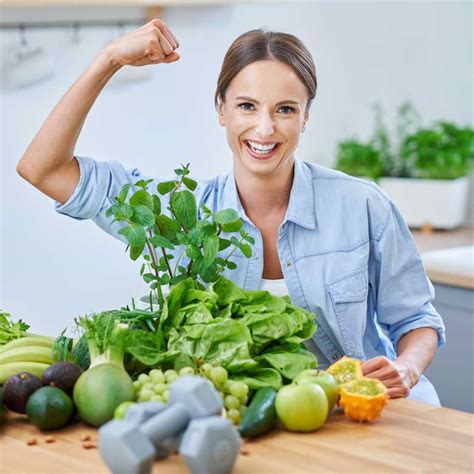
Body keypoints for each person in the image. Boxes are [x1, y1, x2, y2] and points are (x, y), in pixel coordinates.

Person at [17, 19, 445, 405]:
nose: (264, 128)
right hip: (258, 426)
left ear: (305, 117)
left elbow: (417, 320)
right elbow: (42, 168)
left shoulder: (363, 206)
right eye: (247, 106)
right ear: (221, 109)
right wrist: (107, 60)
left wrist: (406, 368)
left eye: (285, 109)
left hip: (369, 412)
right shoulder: (175, 218)